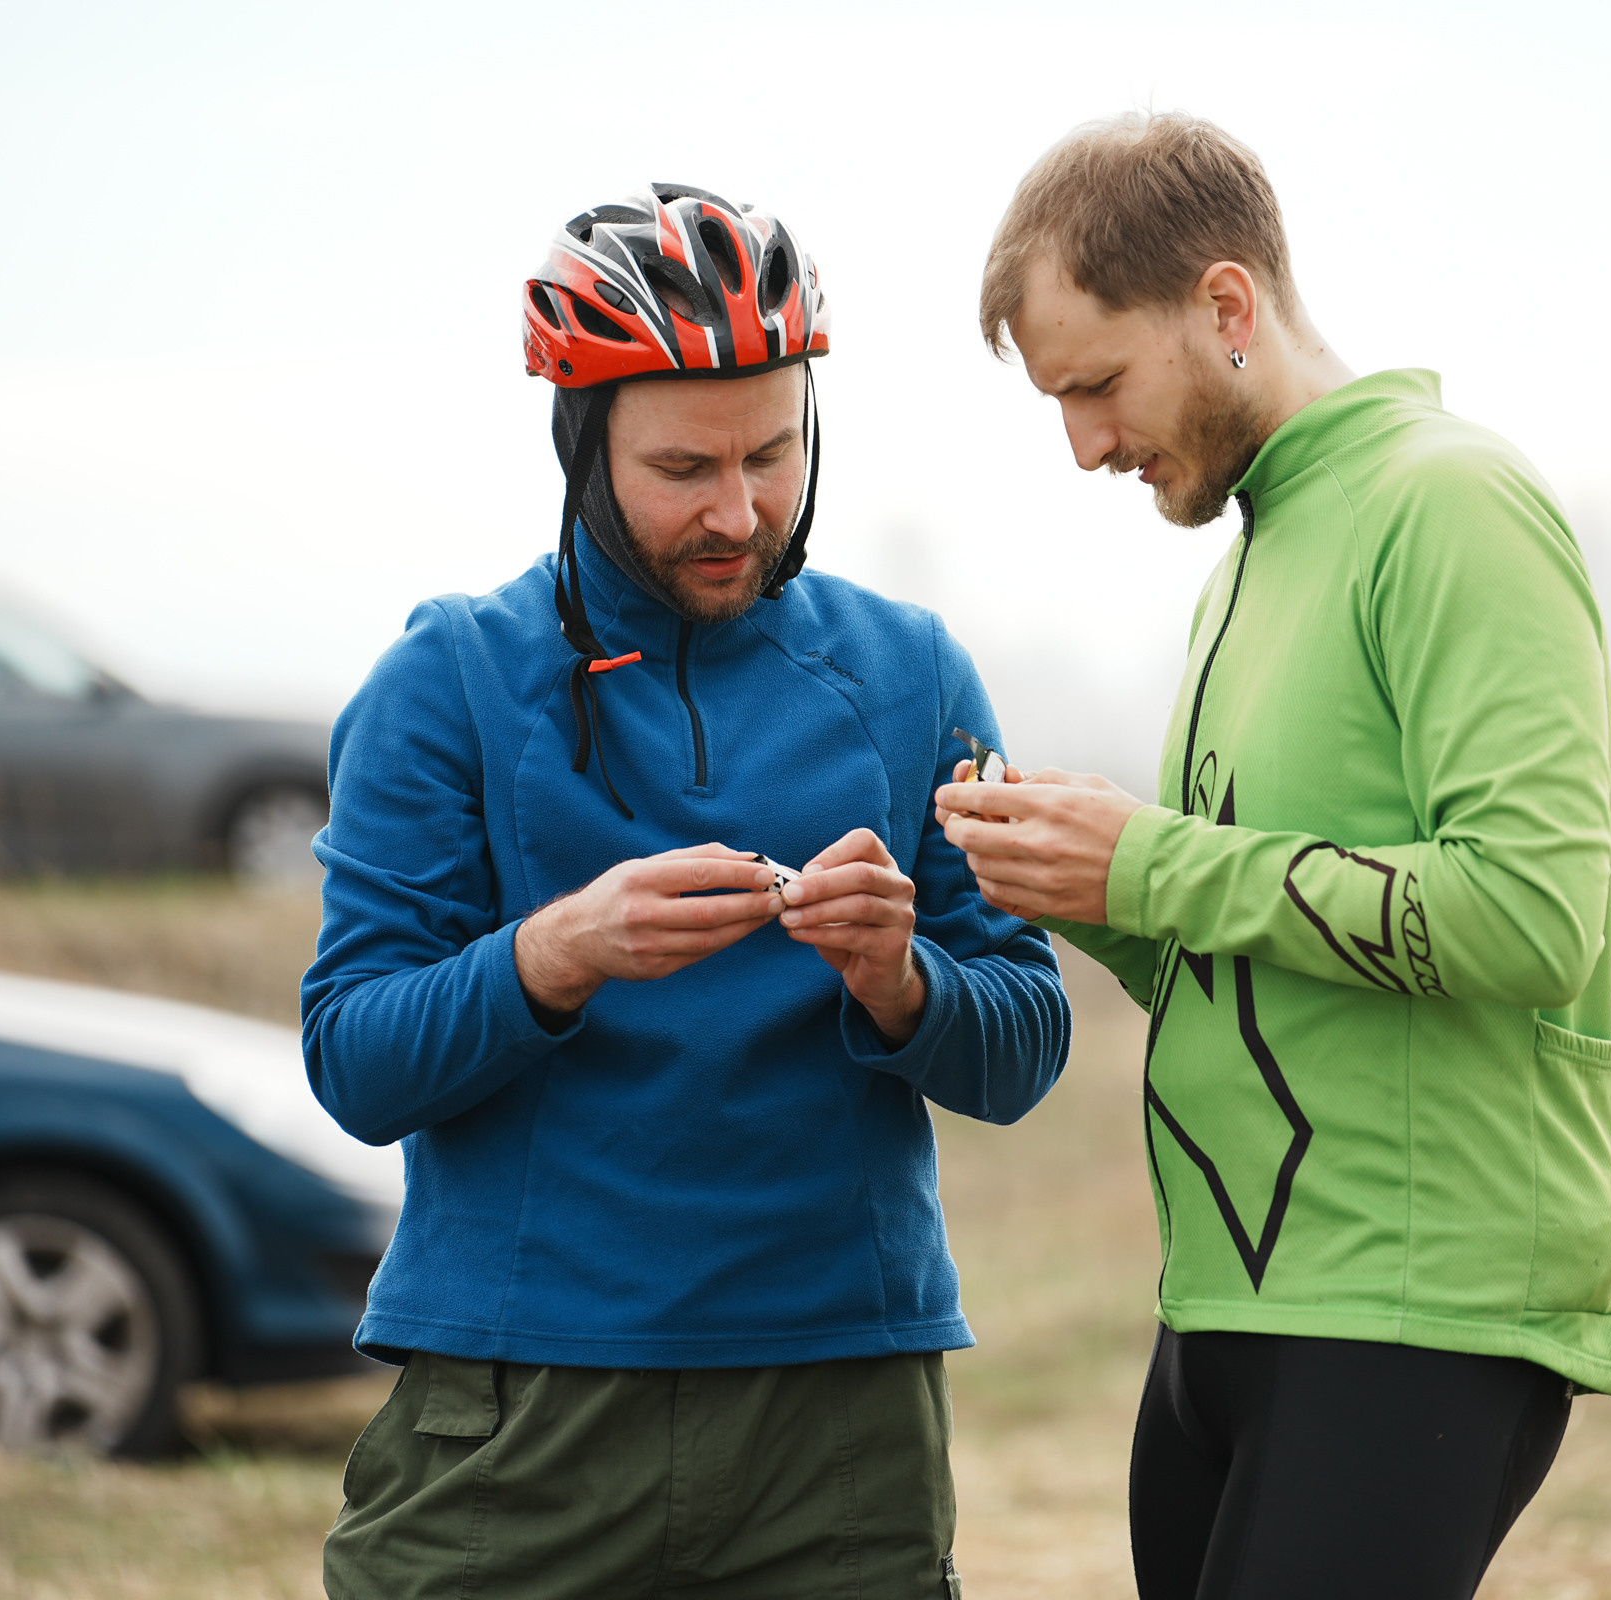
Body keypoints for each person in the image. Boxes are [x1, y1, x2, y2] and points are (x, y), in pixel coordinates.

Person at [307, 182, 1069, 1600]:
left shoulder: (912, 674)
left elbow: (1025, 1045)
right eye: (681, 471)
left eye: (772, 455)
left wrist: (902, 985)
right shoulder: (448, 682)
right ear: (582, 444)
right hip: (519, 1407)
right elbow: (353, 1058)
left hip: (839, 1416)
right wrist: (555, 952)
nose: (739, 512)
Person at [939, 114, 1611, 1600]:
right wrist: (1082, 876)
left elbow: (1529, 916)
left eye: (1099, 385)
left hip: (1414, 1307)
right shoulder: (1246, 562)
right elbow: (1250, 949)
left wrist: (1153, 864)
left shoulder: (1449, 506)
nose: (1084, 447)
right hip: (1229, 1309)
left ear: (1228, 308)